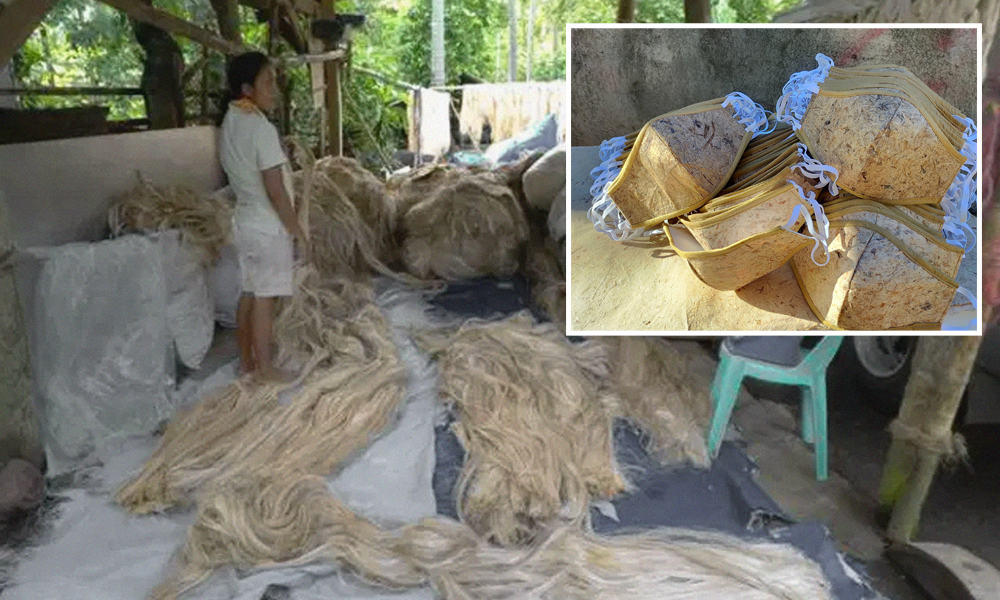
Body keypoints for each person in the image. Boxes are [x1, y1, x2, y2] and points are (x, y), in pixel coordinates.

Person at [218, 52, 308, 382]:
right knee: (265, 299)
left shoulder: (230, 121)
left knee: (250, 293)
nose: (275, 89)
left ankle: (247, 364)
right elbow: (275, 189)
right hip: (267, 227)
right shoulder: (260, 127)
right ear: (247, 88)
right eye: (268, 82)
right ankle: (267, 369)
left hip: (244, 222)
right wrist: (295, 228)